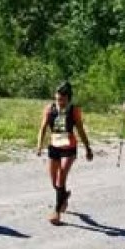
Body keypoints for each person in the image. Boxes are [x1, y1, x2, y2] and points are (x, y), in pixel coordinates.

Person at [37, 81, 93, 225]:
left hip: (69, 147)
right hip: (54, 147)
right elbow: (43, 128)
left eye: (62, 100)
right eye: (57, 99)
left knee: (61, 177)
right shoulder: (49, 109)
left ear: (68, 99)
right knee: (54, 182)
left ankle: (56, 212)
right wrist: (39, 146)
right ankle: (64, 196)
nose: (59, 102)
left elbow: (80, 129)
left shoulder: (74, 110)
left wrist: (88, 148)